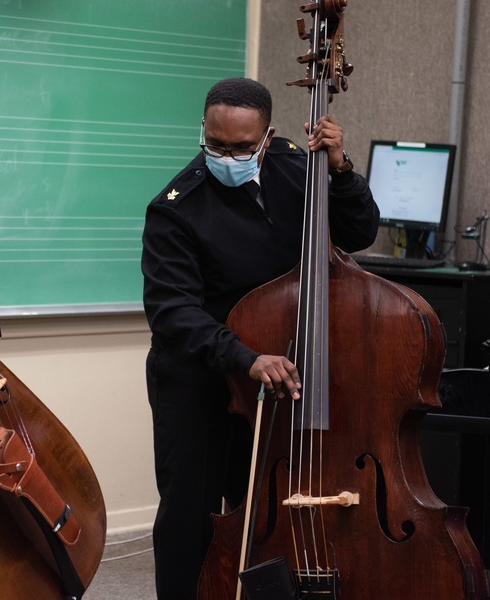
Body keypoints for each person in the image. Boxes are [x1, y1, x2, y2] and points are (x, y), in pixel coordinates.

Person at [140, 77, 379, 598]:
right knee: (192, 516)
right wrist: (245, 357)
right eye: (215, 144)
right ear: (203, 130)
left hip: (280, 374)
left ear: (267, 138)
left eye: (242, 147)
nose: (227, 157)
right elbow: (172, 312)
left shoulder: (300, 166)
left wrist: (339, 169)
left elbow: (359, 233)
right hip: (199, 378)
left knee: (267, 506)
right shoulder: (175, 208)